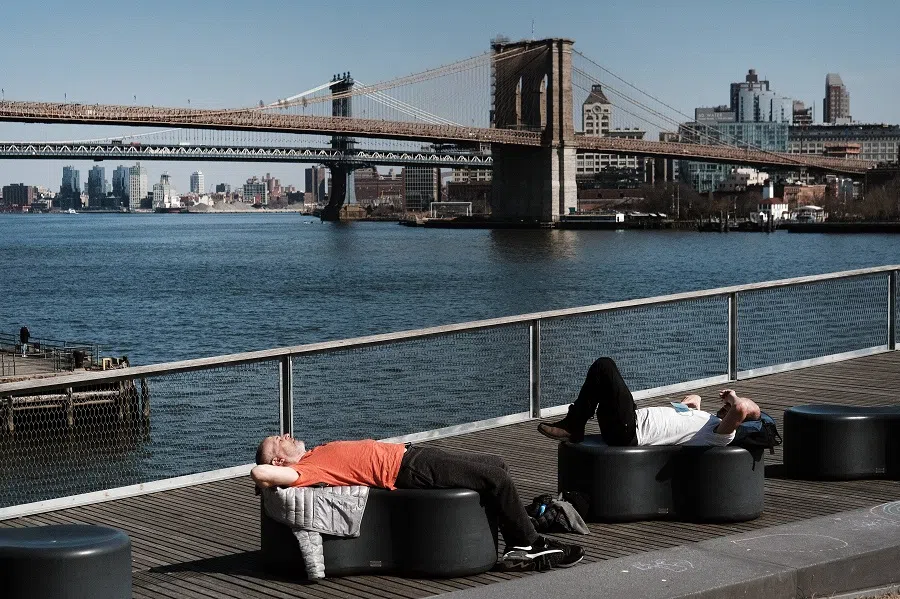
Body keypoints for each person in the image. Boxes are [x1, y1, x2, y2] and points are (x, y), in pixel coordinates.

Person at [251, 436, 585, 572]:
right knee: (496, 479)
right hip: (408, 469)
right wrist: (270, 472)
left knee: (496, 465)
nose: (287, 435)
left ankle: (516, 539)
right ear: (279, 461)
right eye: (279, 440)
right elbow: (259, 473)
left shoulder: (312, 455)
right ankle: (531, 543)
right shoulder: (304, 470)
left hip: (412, 454)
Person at [538, 357, 761, 446]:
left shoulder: (723, 435)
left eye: (730, 407)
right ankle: (575, 424)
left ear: (738, 420)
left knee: (604, 366)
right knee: (601, 376)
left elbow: (744, 408)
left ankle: (574, 425)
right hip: (628, 422)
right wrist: (695, 404)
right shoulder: (709, 422)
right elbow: (684, 422)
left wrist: (734, 397)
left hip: (630, 431)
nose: (727, 406)